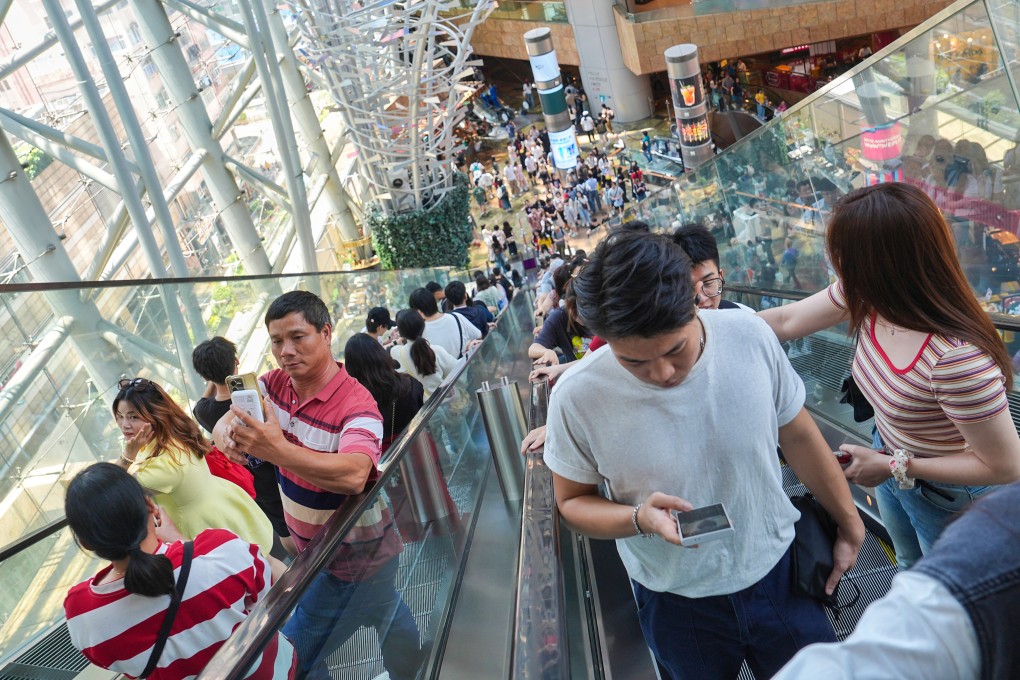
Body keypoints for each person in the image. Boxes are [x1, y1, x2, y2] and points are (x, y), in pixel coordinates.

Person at [543, 231, 864, 679]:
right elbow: (571, 503)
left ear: (695, 300)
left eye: (675, 349)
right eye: (634, 362)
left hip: (779, 570)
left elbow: (799, 437)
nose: (661, 373)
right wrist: (638, 518)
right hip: (675, 599)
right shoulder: (577, 396)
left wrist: (850, 521)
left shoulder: (748, 336)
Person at [759, 183, 1020, 570]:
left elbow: (1006, 466)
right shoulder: (867, 297)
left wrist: (896, 466)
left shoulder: (955, 360)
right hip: (891, 458)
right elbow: (785, 320)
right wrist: (698, 332)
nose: (835, 267)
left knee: (938, 582)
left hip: (944, 492)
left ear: (880, 265)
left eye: (843, 256)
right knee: (908, 563)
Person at [216, 291, 422, 680]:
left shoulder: (356, 403)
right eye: (277, 341)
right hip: (334, 552)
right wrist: (224, 430)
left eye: (298, 337)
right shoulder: (275, 385)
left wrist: (277, 451)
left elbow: (354, 474)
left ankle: (410, 666)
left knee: (290, 659)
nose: (285, 351)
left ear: (326, 334)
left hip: (349, 557)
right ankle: (412, 667)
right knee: (384, 607)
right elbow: (231, 414)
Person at [63, 463, 296, 679]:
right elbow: (267, 596)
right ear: (151, 506)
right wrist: (182, 543)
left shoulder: (81, 615)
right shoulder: (221, 551)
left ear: (86, 543)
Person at [773, 479, 1020, 679]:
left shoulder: (1000, 540)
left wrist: (894, 466)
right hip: (893, 473)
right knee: (908, 563)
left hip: (925, 482)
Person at [113, 378, 275, 560]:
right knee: (263, 561)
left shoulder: (163, 466)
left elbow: (108, 490)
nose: (124, 424)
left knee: (250, 572)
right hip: (224, 504)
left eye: (133, 416)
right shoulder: (176, 433)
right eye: (119, 416)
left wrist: (127, 455)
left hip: (205, 525)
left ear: (155, 415)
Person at [191, 337, 293, 556]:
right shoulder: (260, 396)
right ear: (236, 360)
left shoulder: (204, 412)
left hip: (256, 481)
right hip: (284, 467)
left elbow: (201, 401)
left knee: (282, 528)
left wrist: (212, 376)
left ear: (205, 377)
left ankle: (301, 561)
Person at [672, 224, 753, 311]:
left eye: (707, 284)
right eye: (689, 288)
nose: (702, 299)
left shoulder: (742, 314)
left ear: (720, 277)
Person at [391, 309, 461, 400]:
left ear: (400, 332)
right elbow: (457, 369)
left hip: (428, 403)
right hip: (450, 399)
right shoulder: (435, 350)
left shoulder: (399, 353)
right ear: (423, 325)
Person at [408, 287, 481, 359]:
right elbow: (478, 335)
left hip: (445, 371)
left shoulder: (420, 333)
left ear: (418, 311)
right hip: (464, 366)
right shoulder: (456, 317)